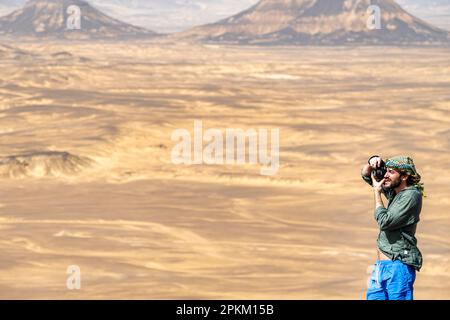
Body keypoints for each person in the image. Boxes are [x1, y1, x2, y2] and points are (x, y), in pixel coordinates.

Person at [361, 155, 424, 300]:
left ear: (404, 176)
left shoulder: (411, 195)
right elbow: (366, 176)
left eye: (391, 172)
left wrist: (377, 193)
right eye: (386, 170)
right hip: (381, 267)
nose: (386, 175)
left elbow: (385, 221)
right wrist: (372, 162)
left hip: (398, 266)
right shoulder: (395, 193)